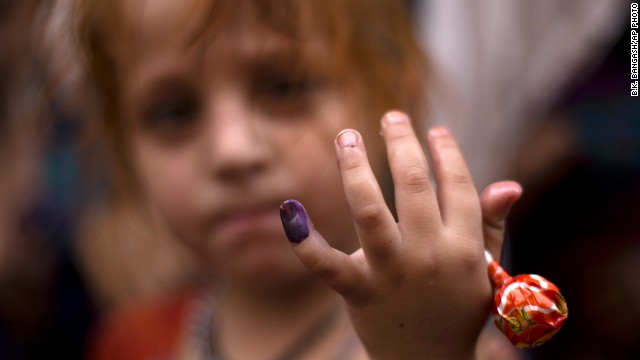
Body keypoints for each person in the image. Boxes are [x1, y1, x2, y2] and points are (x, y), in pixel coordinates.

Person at [75, 0, 523, 358]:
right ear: (124, 148)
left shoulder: (456, 346)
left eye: (284, 87)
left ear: (389, 94)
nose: (232, 151)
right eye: (174, 112)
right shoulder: (129, 341)